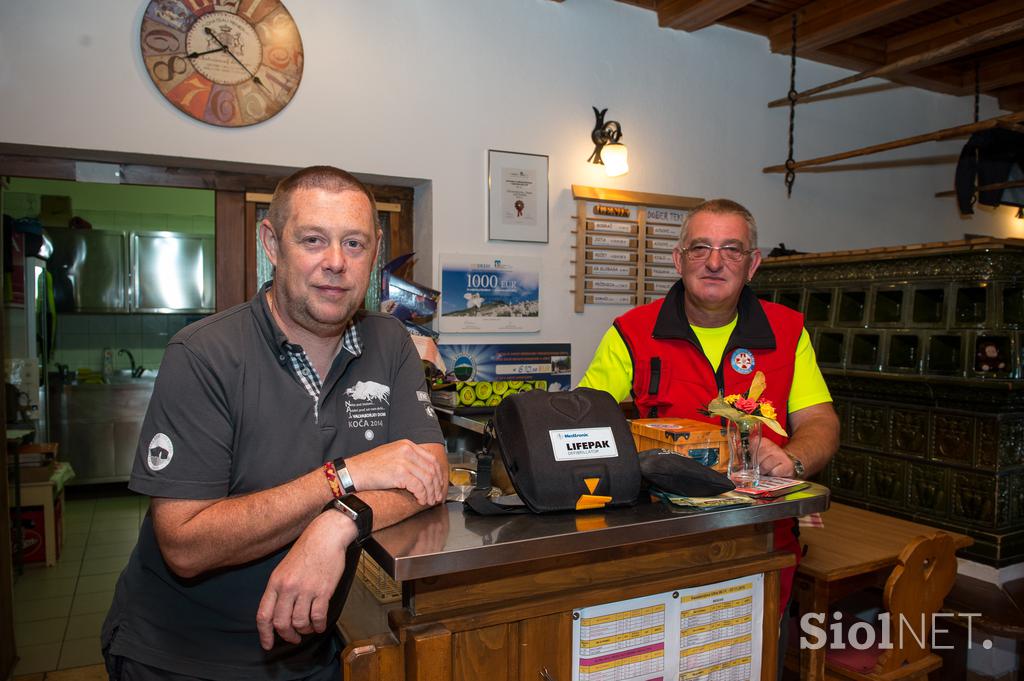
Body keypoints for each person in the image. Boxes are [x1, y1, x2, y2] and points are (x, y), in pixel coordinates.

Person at [102, 166, 448, 681]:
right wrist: (343, 475)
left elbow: (430, 470)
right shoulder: (203, 354)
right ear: (272, 242)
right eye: (313, 240)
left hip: (312, 653)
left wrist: (339, 522)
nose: (335, 262)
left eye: (354, 244)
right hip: (182, 660)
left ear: (375, 252)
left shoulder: (390, 342)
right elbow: (185, 544)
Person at [579, 198, 839, 673]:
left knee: (751, 665)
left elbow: (821, 421)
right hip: (658, 552)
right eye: (700, 248)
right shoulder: (631, 332)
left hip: (759, 550)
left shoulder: (788, 331)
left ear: (753, 263)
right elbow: (584, 423)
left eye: (731, 250)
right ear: (678, 260)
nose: (714, 262)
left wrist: (793, 461)